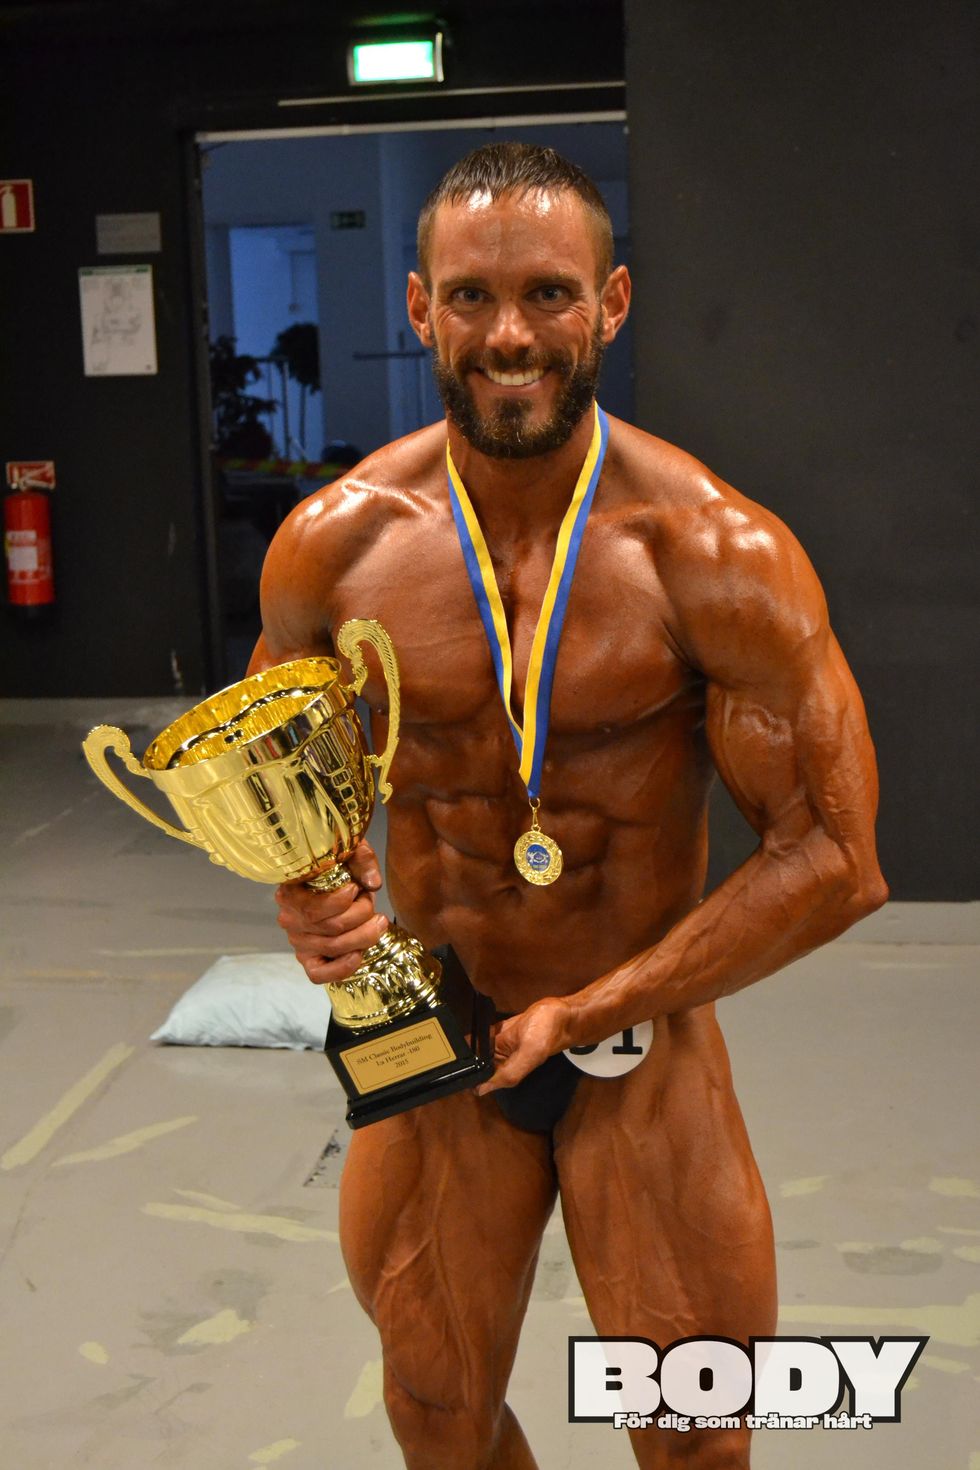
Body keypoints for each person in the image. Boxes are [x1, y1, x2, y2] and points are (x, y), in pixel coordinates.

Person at [249, 143, 887, 1470]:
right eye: (471, 297)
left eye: (548, 292)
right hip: (436, 1031)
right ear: (421, 309)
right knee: (438, 1415)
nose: (510, 336)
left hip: (636, 1044)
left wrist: (593, 1008)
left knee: (697, 1432)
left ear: (612, 303)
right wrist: (308, 890)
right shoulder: (336, 546)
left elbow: (836, 855)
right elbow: (283, 786)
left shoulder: (715, 552)